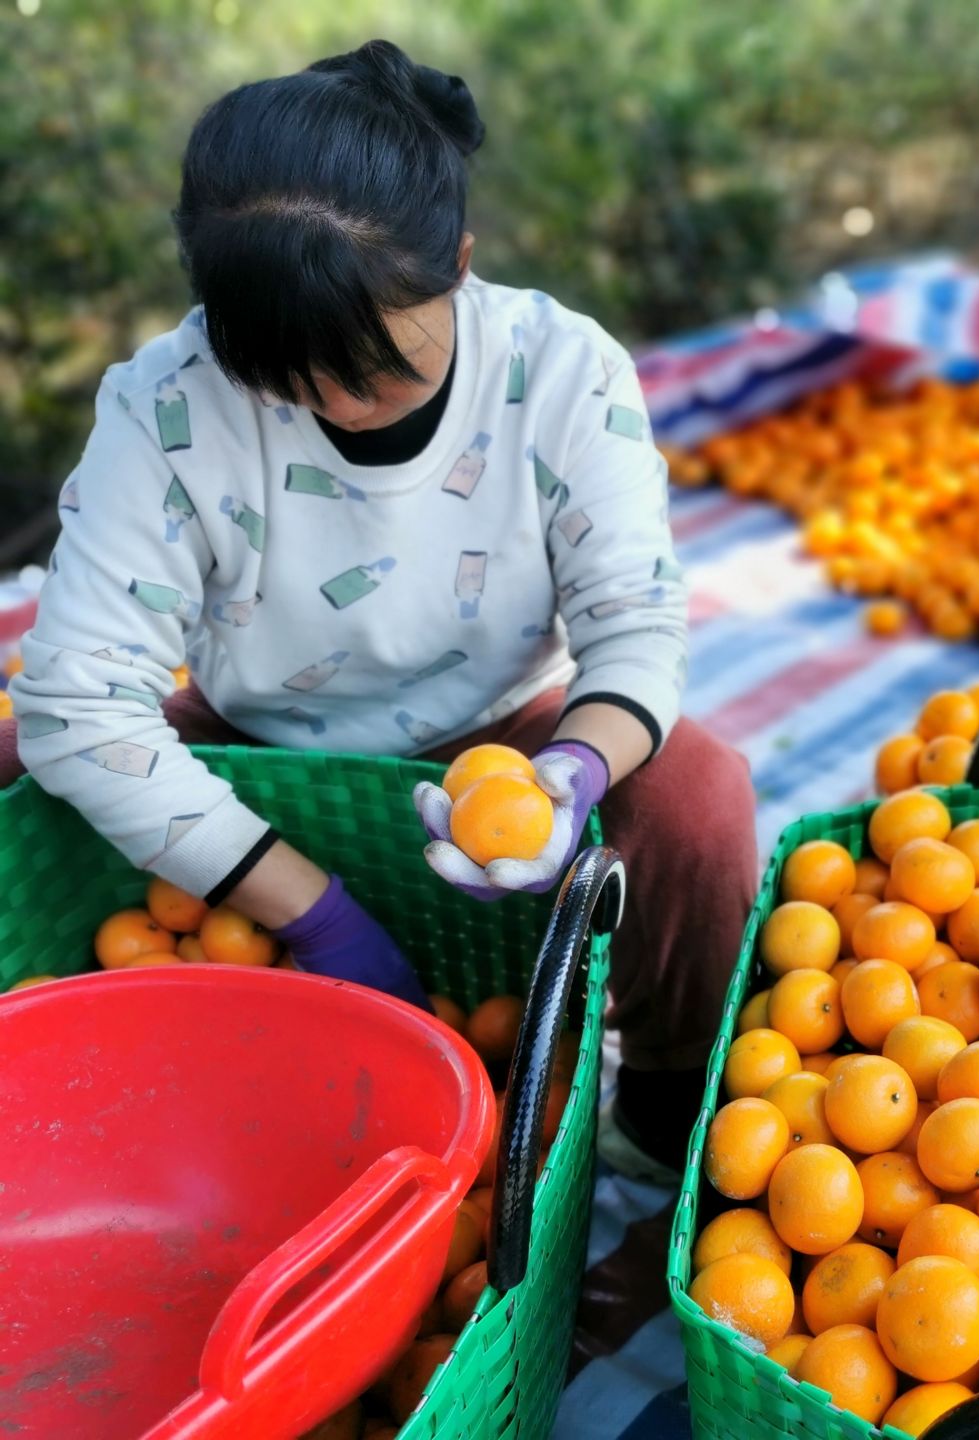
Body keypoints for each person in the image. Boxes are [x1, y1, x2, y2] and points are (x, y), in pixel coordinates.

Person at [0, 40, 756, 1178]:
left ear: (456, 261)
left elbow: (634, 626)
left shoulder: (559, 376)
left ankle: (659, 1103)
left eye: (376, 369)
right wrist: (315, 914)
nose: (340, 408)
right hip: (259, 746)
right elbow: (78, 709)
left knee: (697, 795)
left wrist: (577, 775)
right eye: (289, 380)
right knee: (21, 758)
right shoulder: (168, 403)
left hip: (496, 741)